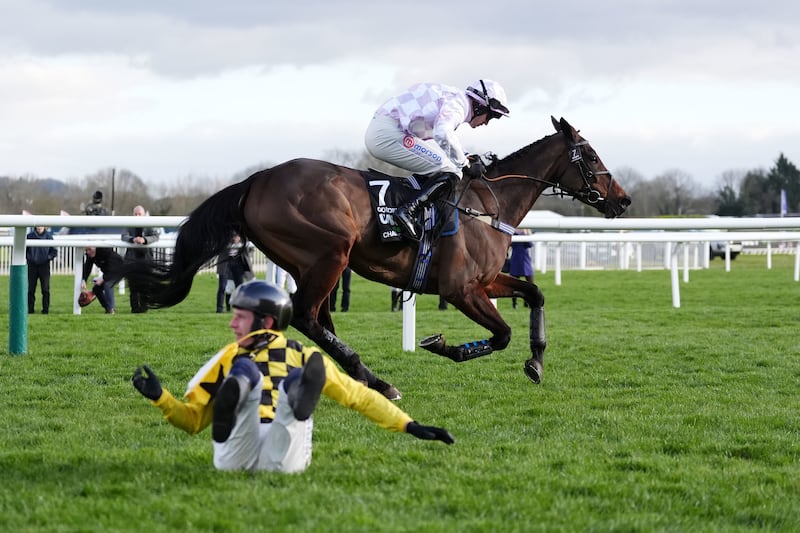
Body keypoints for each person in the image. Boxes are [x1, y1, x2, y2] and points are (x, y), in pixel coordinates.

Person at [132, 281, 454, 473]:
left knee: (248, 374)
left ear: (266, 321)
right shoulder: (304, 355)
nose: (232, 325)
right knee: (270, 385)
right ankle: (285, 389)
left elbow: (191, 421)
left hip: (232, 461)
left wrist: (408, 424)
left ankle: (273, 388)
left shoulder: (227, 357)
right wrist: (160, 396)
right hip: (287, 461)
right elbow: (357, 395)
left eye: (239, 317)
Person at [365, 79, 510, 239]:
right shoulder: (458, 105)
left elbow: (433, 137)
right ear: (479, 105)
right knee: (450, 169)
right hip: (387, 133)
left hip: (388, 129)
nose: (487, 123)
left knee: (447, 165)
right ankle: (408, 211)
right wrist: (464, 163)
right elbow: (442, 133)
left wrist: (465, 155)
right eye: (490, 116)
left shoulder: (454, 99)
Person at [121, 205, 160, 313]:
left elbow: (156, 236)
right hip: (131, 259)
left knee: (145, 285)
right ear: (133, 214)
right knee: (133, 286)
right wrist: (133, 239)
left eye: (140, 214)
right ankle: (134, 308)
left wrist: (144, 240)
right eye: (135, 214)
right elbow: (123, 236)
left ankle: (143, 307)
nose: (137, 216)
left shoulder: (149, 224)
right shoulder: (129, 224)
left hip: (146, 259)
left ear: (144, 214)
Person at [216, 233, 253, 313]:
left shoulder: (244, 239)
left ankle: (240, 307)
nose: (235, 238)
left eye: (237, 236)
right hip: (225, 263)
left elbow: (251, 248)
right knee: (222, 287)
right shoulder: (224, 238)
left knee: (240, 287)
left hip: (238, 263)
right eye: (233, 236)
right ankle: (219, 308)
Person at [81, 246, 124, 314]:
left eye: (89, 249)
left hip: (119, 270)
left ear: (95, 247)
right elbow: (87, 268)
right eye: (86, 250)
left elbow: (113, 269)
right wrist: (84, 280)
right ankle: (107, 308)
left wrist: (103, 278)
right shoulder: (90, 255)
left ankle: (111, 310)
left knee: (107, 285)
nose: (88, 252)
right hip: (109, 273)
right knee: (96, 289)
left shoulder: (105, 251)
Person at [26, 226, 57, 314]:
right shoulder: (29, 236)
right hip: (32, 266)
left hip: (44, 266)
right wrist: (29, 258)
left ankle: (45, 310)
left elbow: (54, 252)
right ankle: (30, 310)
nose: (39, 227)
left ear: (44, 227)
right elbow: (25, 250)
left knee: (45, 289)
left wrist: (48, 258)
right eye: (38, 225)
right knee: (31, 289)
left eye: (41, 225)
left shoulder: (49, 237)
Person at [509, 229, 534, 309]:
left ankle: (527, 302)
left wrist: (527, 235)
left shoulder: (524, 235)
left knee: (530, 284)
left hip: (525, 262)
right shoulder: (514, 235)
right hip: (516, 261)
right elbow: (510, 243)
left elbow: (530, 244)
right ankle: (514, 303)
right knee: (514, 285)